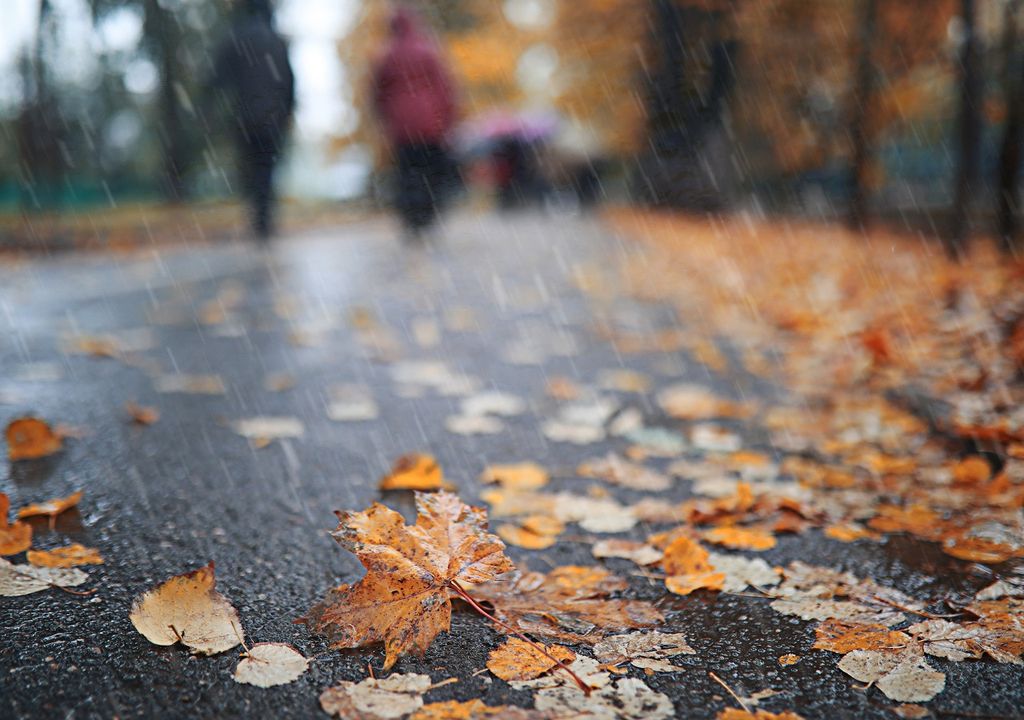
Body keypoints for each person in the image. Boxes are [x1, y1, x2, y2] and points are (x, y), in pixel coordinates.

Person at [211, 0, 295, 240]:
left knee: (251, 168)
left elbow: (219, 77)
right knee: (267, 169)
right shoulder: (276, 42)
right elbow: (289, 82)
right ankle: (265, 222)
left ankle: (258, 219)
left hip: (245, 117)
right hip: (272, 117)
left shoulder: (237, 37)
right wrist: (287, 111)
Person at [371, 8, 459, 235]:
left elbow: (378, 94)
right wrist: (448, 118)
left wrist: (383, 120)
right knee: (430, 170)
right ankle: (427, 217)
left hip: (402, 126)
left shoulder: (387, 55)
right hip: (430, 123)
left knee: (408, 172)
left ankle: (412, 218)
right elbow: (445, 88)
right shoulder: (428, 50)